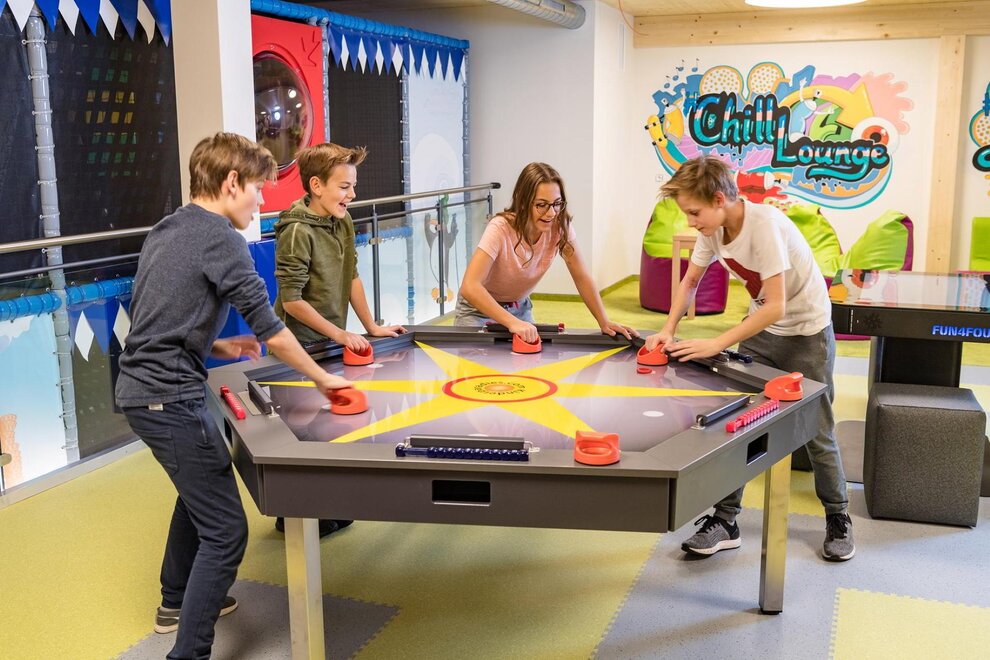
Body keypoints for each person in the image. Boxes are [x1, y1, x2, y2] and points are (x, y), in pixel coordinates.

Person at [115, 132, 353, 659]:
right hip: (168, 396)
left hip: (144, 390)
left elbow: (158, 318)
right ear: (230, 183)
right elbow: (273, 329)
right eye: (258, 189)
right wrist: (323, 378)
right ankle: (188, 653)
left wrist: (219, 343)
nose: (261, 200)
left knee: (199, 486)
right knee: (225, 532)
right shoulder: (222, 239)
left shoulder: (167, 228)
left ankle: (175, 600)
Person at [643, 155, 854, 562]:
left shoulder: (765, 226)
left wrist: (715, 343)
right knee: (739, 424)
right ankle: (726, 521)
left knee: (818, 429)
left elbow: (776, 305)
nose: (690, 221)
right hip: (761, 332)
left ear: (718, 199)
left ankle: (838, 515)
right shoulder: (713, 230)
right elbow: (690, 281)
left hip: (807, 333)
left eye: (694, 212)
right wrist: (668, 329)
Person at [272, 142, 406, 536]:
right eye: (344, 187)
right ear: (316, 185)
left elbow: (352, 277)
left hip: (329, 341)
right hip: (297, 347)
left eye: (353, 186)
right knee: (300, 430)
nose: (352, 194)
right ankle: (290, 516)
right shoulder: (296, 231)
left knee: (327, 428)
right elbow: (292, 301)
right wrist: (340, 333)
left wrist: (371, 327)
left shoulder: (341, 221)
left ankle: (321, 505)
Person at [455, 162, 636, 342]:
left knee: (529, 359)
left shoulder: (560, 226)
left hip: (519, 308)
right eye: (541, 205)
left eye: (556, 204)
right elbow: (470, 286)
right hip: (478, 310)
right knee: (477, 359)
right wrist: (512, 322)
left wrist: (604, 321)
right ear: (523, 202)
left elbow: (581, 276)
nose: (551, 213)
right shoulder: (500, 228)